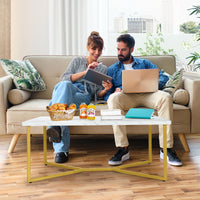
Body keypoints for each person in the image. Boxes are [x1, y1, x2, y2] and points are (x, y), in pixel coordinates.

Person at [104, 34, 182, 167]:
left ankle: (166, 148)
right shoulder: (112, 69)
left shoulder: (144, 63)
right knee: (112, 99)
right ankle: (123, 149)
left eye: (123, 50)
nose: (120, 53)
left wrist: (149, 83)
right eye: (118, 49)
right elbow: (107, 94)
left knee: (165, 97)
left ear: (131, 49)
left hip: (148, 94)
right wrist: (114, 90)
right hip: (127, 97)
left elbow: (162, 78)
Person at [47, 31, 112, 163]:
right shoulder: (77, 61)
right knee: (65, 86)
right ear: (88, 48)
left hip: (83, 95)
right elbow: (65, 78)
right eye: (94, 48)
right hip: (66, 89)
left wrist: (105, 90)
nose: (97, 52)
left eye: (100, 49)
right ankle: (60, 148)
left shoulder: (103, 69)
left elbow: (96, 94)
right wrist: (86, 72)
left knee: (60, 104)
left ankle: (58, 140)